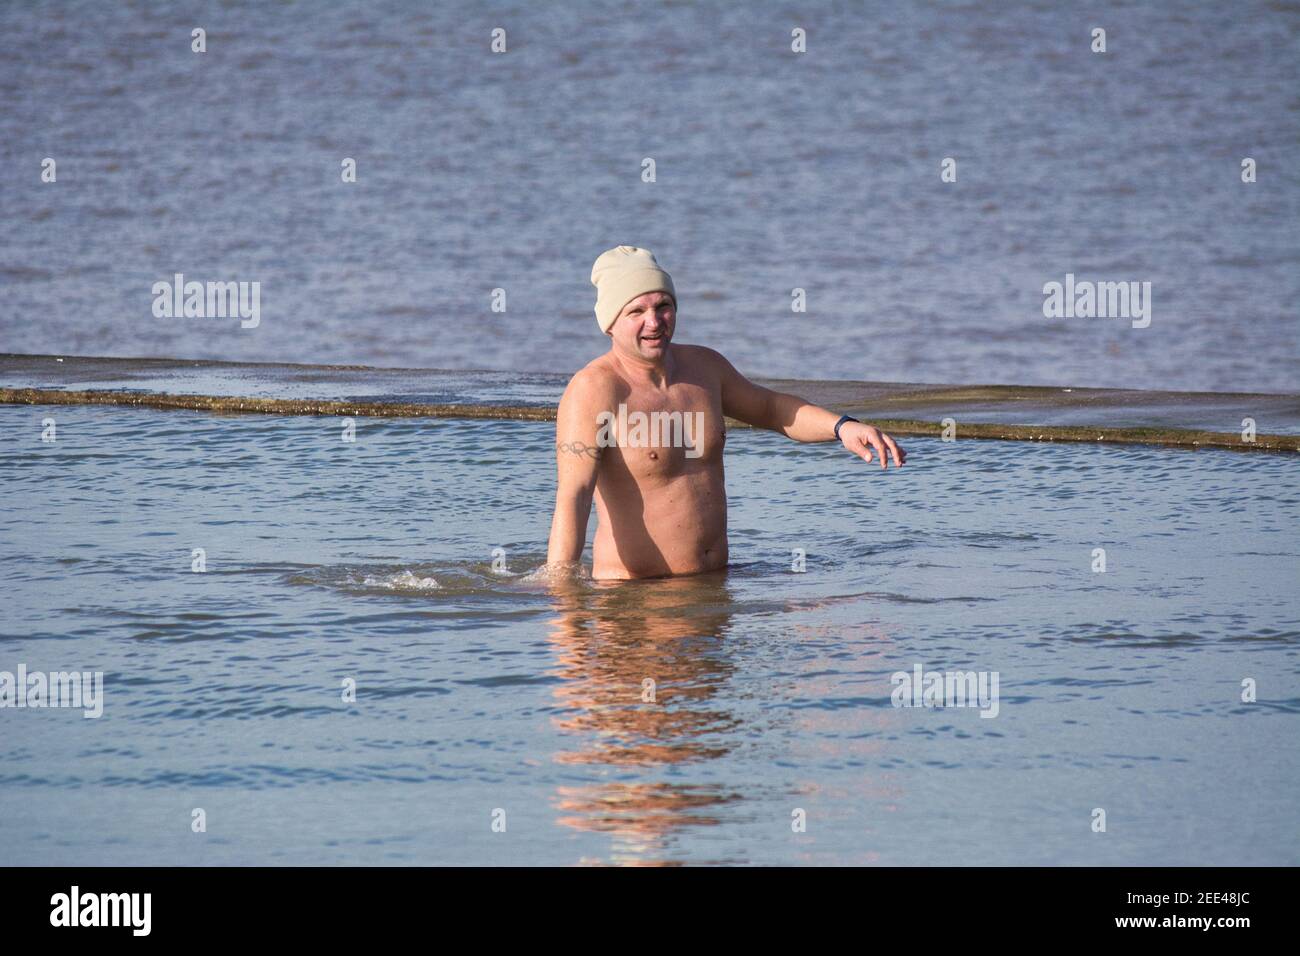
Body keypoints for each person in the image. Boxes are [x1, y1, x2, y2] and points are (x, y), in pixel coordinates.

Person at [546, 245, 905, 580]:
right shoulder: (594, 390)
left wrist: (842, 427)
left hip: (713, 589)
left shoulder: (705, 368)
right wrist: (564, 602)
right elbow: (574, 495)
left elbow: (770, 408)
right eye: (636, 311)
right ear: (609, 322)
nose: (654, 321)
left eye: (663, 306)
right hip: (635, 600)